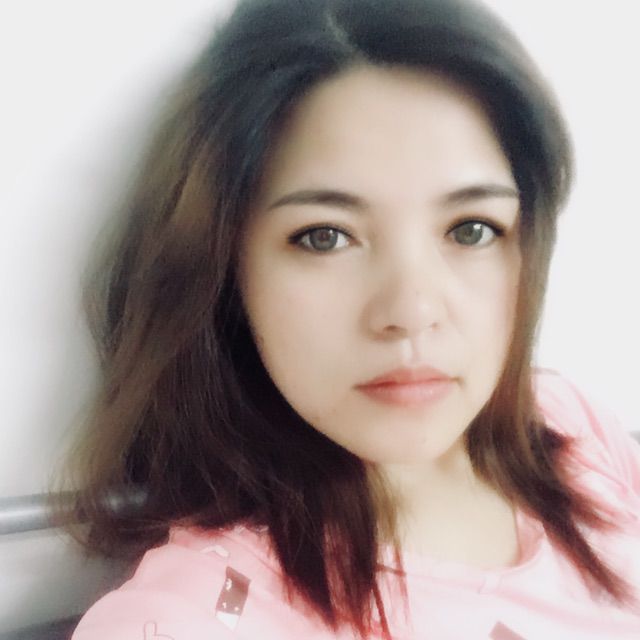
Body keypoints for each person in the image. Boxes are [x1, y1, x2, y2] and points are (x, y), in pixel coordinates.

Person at [64, 0, 640, 638]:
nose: (412, 313)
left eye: (471, 229)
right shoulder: (199, 617)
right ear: (224, 265)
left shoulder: (569, 423)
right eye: (325, 237)